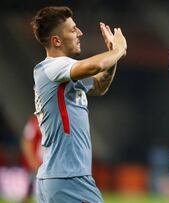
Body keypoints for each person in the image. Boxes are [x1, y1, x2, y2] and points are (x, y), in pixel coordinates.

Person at [31, 6, 127, 203]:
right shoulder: (52, 67)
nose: (80, 33)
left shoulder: (65, 75)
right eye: (73, 29)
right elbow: (95, 66)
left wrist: (112, 58)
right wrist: (119, 50)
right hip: (69, 179)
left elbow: (100, 85)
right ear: (56, 41)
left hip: (59, 178)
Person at [21, 114, 42, 203]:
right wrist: (32, 160)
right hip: (37, 164)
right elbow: (26, 141)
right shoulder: (34, 122)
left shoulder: (54, 122)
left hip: (47, 165)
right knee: (30, 190)